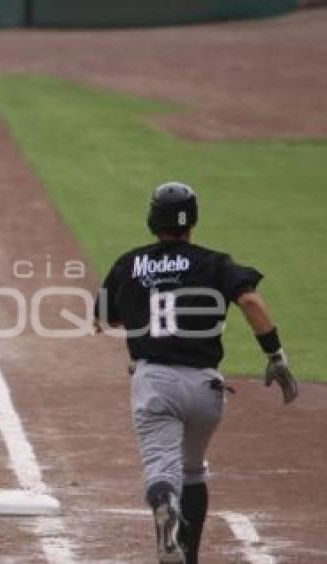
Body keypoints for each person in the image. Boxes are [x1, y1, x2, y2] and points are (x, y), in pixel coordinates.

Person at [94, 182, 298, 563]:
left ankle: (165, 510)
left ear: (153, 219)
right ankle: (188, 556)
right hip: (206, 387)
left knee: (161, 470)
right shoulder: (214, 262)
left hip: (155, 383)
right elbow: (250, 300)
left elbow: (103, 319)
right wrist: (275, 355)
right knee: (192, 471)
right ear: (193, 221)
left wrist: (143, 323)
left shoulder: (129, 263)